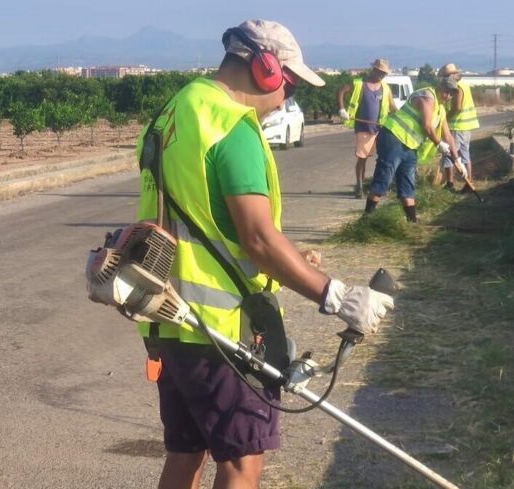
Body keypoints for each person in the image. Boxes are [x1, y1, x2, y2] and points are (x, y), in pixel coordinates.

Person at [134, 20, 395, 489]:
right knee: (242, 464)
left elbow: (207, 221)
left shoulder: (174, 112)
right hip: (222, 329)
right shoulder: (232, 127)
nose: (285, 98)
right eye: (289, 85)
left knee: (185, 454)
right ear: (265, 68)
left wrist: (287, 256)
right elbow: (256, 239)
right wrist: (336, 295)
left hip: (168, 319)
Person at [364, 77, 460, 222]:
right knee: (384, 177)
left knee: (407, 183)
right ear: (439, 87)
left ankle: (412, 222)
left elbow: (448, 136)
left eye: (451, 94)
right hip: (393, 137)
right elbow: (427, 126)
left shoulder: (440, 109)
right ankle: (367, 218)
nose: (448, 96)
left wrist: (457, 160)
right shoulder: (427, 96)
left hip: (410, 145)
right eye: (446, 91)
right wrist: (438, 143)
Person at [336, 59, 398, 198]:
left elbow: (392, 107)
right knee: (362, 158)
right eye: (380, 72)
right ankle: (359, 187)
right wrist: (341, 109)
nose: (382, 75)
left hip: (380, 128)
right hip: (363, 127)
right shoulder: (359, 84)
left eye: (384, 73)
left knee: (384, 158)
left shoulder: (385, 88)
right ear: (373, 70)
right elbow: (341, 91)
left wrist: (401, 117)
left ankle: (379, 185)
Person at [438, 63, 479, 191]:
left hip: (457, 125)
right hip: (465, 126)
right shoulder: (464, 84)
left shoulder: (457, 87)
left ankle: (450, 183)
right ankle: (469, 183)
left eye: (445, 77)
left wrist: (445, 119)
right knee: (465, 154)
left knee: (450, 153)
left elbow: (457, 107)